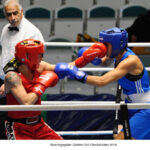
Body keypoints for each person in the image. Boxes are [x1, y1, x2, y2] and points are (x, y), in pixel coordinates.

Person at [54, 27, 150, 139]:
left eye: (106, 45)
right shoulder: (117, 55)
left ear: (116, 45)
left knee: (122, 140)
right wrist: (60, 67)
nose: (103, 48)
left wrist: (77, 75)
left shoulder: (129, 61)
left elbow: (102, 81)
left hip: (145, 107)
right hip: (132, 105)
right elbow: (104, 62)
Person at [0, 0, 44, 139]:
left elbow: (35, 63)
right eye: (9, 14)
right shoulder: (5, 29)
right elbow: (5, 55)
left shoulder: (32, 33)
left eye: (15, 13)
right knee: (3, 122)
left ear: (22, 12)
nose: (12, 17)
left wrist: (9, 80)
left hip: (20, 84)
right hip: (3, 80)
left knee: (16, 123)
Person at [4, 39, 63, 140]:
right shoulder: (12, 76)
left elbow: (64, 69)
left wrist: (84, 59)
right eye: (39, 55)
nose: (42, 57)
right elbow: (26, 102)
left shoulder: (40, 67)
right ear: (28, 57)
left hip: (39, 125)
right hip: (19, 128)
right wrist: (42, 85)